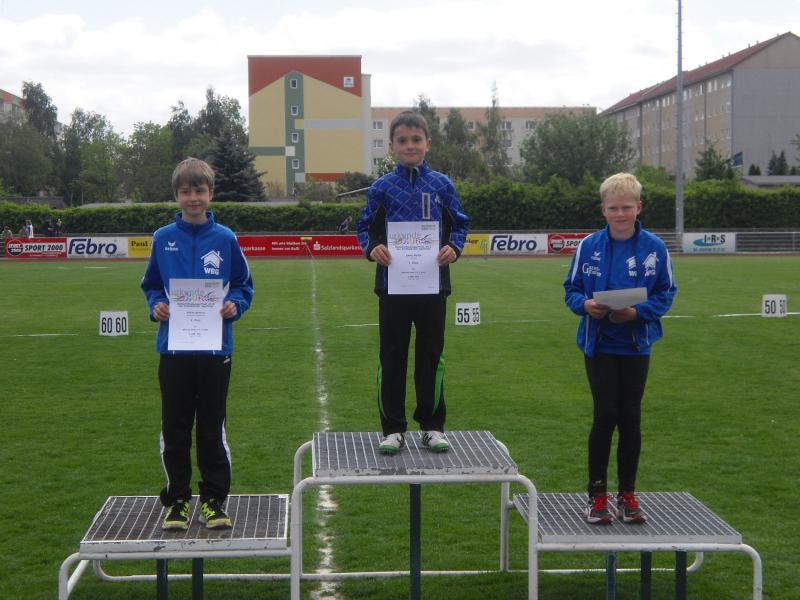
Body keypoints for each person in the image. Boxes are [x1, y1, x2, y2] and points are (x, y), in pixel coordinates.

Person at [141, 157, 254, 530]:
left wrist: (234, 305)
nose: (193, 198)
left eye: (199, 190)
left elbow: (243, 284)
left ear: (211, 194)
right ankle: (177, 500)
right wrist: (156, 305)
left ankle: (213, 500)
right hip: (174, 350)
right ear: (176, 195)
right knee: (174, 428)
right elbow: (151, 285)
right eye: (186, 191)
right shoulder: (162, 239)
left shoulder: (225, 238)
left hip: (215, 351)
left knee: (211, 428)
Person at [564, 172, 677, 525]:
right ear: (603, 210)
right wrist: (586, 306)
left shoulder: (655, 248)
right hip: (598, 344)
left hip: (636, 345)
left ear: (639, 207)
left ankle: (627, 494)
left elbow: (666, 292)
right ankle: (597, 496)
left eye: (627, 207)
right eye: (613, 208)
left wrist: (636, 313)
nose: (620, 213)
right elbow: (571, 289)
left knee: (630, 417)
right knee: (605, 414)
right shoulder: (589, 246)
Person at [357, 111, 470, 455]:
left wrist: (454, 248)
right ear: (392, 146)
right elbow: (365, 227)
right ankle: (392, 429)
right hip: (392, 286)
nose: (410, 145)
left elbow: (460, 224)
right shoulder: (381, 187)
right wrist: (372, 248)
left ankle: (432, 426)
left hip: (433, 285)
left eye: (416, 139)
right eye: (403, 140)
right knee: (391, 356)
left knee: (431, 356)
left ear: (428, 144)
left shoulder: (442, 185)